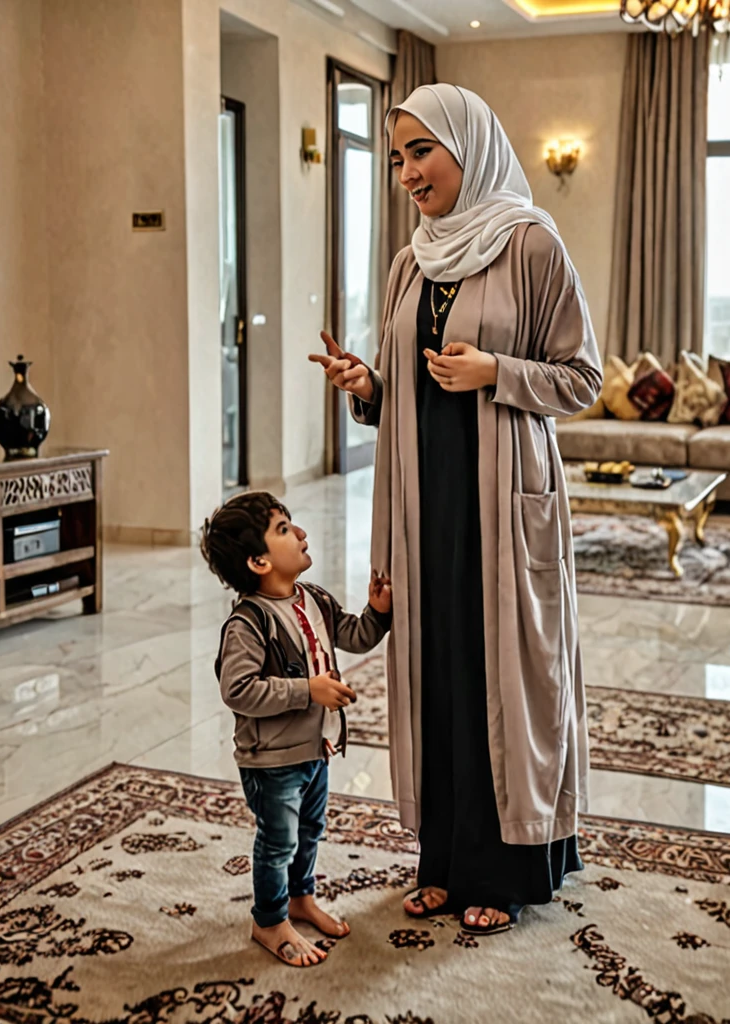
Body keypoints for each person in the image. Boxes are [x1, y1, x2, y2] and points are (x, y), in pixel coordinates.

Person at [310, 84, 603, 936]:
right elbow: (407, 384)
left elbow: (582, 379)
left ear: (467, 147)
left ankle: (503, 868)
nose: (405, 173)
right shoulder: (413, 260)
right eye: (396, 158)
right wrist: (368, 386)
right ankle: (442, 857)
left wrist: (498, 374)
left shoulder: (530, 244)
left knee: (501, 676)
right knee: (437, 672)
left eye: (419, 152)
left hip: (505, 508)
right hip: (423, 502)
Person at [201, 492, 393, 967]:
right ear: (258, 561)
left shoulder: (314, 600)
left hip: (315, 748)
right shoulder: (249, 623)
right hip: (272, 762)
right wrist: (308, 691)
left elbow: (353, 635)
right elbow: (238, 690)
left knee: (310, 831)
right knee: (278, 841)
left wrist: (378, 612)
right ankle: (268, 921)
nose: (301, 533)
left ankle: (299, 899)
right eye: (285, 529)